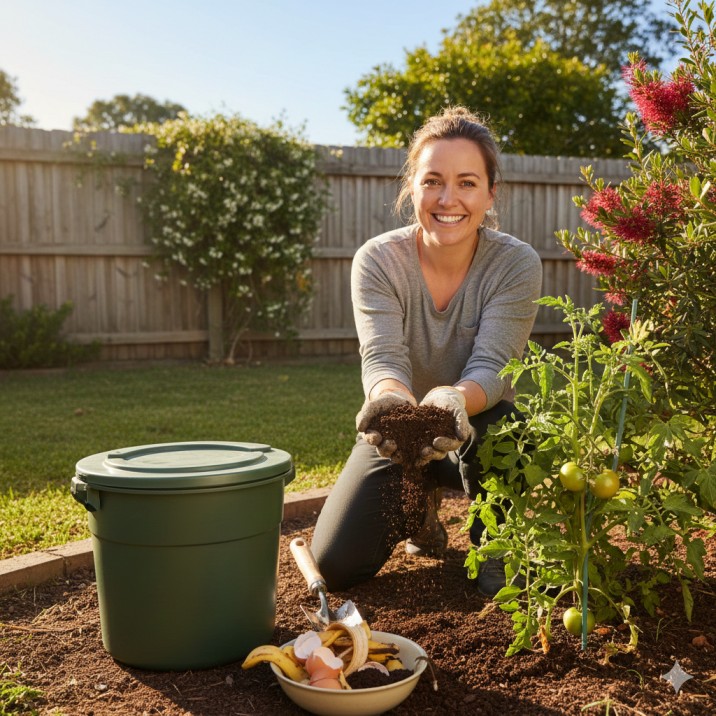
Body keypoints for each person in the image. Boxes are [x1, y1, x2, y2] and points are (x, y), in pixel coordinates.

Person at [311, 106, 542, 597]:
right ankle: (420, 511)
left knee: (503, 430)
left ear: (489, 193)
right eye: (433, 180)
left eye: (466, 182)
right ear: (412, 187)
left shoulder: (514, 263)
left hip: (481, 424)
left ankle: (495, 546)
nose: (448, 198)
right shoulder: (378, 260)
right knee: (334, 563)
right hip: (403, 432)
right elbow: (382, 357)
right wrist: (392, 401)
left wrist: (452, 400)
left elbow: (494, 367)